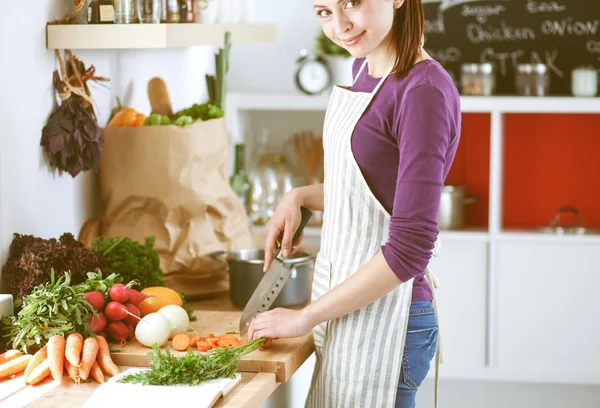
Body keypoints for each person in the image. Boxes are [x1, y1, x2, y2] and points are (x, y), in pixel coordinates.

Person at [247, 0, 461, 407]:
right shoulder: (363, 67)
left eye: (352, 4)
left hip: (392, 320)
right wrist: (299, 196)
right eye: (324, 12)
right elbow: (371, 191)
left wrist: (306, 316)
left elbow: (411, 247)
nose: (340, 26)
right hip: (348, 309)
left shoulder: (423, 93)